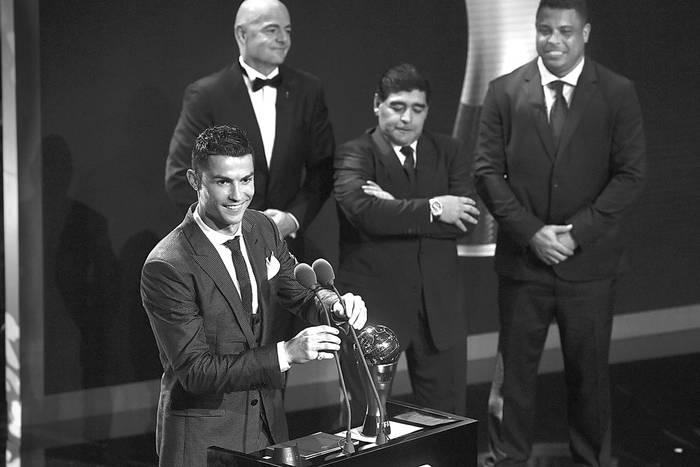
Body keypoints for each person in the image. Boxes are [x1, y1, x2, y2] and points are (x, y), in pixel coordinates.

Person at [474, 0, 646, 465]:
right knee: (513, 383)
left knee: (590, 381)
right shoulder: (504, 91)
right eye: (545, 30)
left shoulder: (616, 91)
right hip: (523, 266)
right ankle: (507, 461)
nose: (554, 41)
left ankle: (592, 461)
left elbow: (631, 174)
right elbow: (486, 173)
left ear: (585, 33)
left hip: (590, 267)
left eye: (565, 31)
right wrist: (532, 233)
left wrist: (575, 234)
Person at [142, 125, 366, 467]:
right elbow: (196, 372)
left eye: (246, 180)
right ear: (194, 180)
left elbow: (299, 291)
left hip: (269, 432)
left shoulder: (262, 227)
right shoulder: (168, 265)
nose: (237, 195)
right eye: (223, 182)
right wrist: (286, 353)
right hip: (205, 446)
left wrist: (335, 306)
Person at [334, 63, 479, 417]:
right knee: (368, 422)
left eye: (417, 109)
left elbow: (465, 222)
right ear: (377, 104)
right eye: (397, 106)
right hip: (375, 312)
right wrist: (434, 207)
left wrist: (393, 207)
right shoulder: (355, 153)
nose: (407, 118)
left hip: (438, 312)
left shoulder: (450, 150)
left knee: (446, 425)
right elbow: (365, 214)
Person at [165, 0, 334, 261]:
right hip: (221, 251)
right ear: (241, 34)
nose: (283, 39)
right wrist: (237, 224)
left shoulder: (309, 90)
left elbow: (322, 169)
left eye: (287, 31)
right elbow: (180, 176)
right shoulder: (206, 94)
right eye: (272, 30)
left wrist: (292, 219)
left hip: (287, 250)